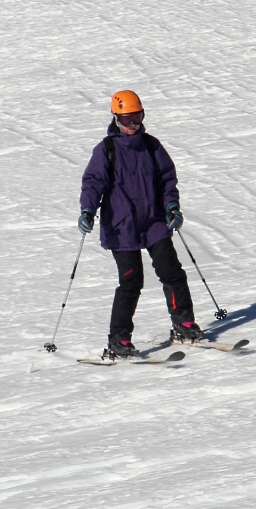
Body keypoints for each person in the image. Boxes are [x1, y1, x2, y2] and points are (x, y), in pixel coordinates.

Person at [78, 90, 202, 358]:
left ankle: (184, 323)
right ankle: (119, 340)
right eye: (127, 119)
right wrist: (87, 209)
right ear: (116, 118)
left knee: (172, 273)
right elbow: (93, 182)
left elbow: (167, 179)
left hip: (154, 222)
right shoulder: (106, 150)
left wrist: (172, 206)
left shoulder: (152, 146)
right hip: (122, 227)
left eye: (138, 117)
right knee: (131, 283)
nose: (133, 125)